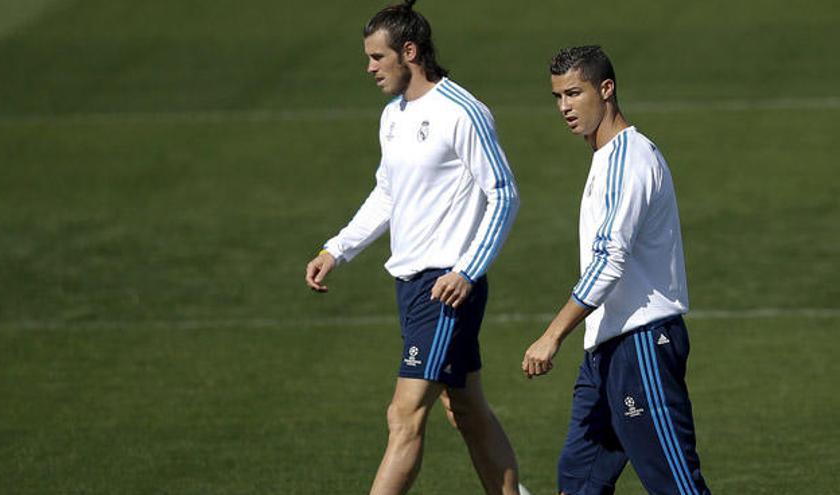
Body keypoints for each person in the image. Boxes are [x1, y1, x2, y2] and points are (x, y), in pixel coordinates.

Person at [304, 2, 524, 494]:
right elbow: (388, 192)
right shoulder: (393, 116)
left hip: (446, 288)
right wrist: (336, 249)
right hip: (410, 285)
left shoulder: (462, 112)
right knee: (466, 409)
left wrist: (467, 270)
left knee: (404, 416)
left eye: (378, 57)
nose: (369, 68)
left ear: (410, 51)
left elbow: (504, 194)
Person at [521, 45, 711, 495]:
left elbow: (609, 261)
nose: (564, 107)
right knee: (579, 481)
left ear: (606, 89)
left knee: (676, 486)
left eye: (574, 93)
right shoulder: (605, 158)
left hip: (641, 345)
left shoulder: (630, 159)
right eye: (557, 96)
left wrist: (552, 335)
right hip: (605, 353)